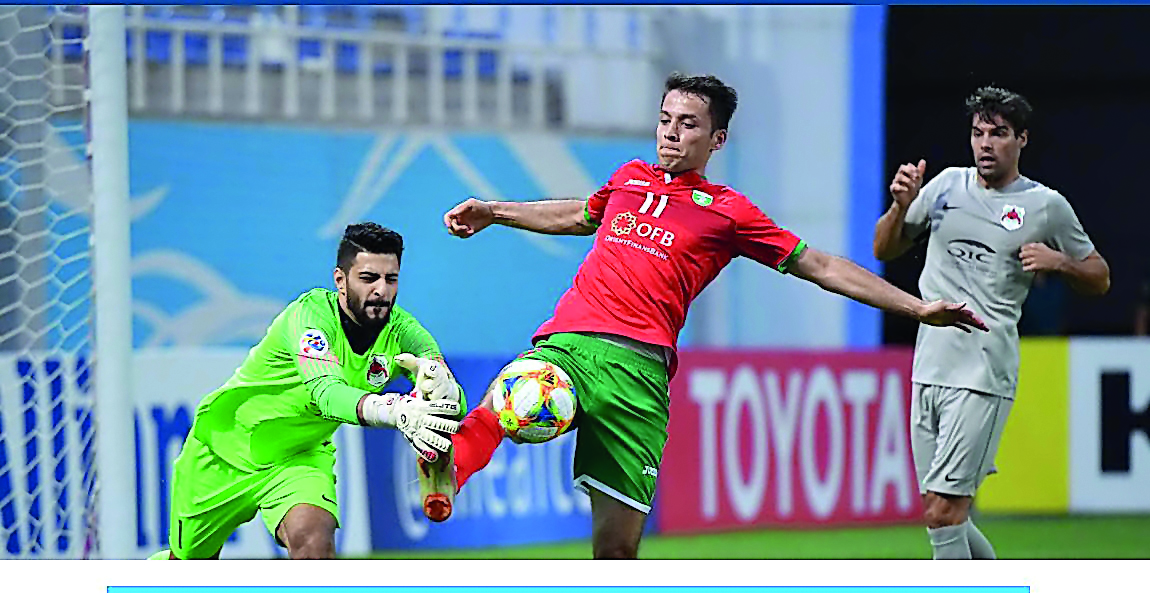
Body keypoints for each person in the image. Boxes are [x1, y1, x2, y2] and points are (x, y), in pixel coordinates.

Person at [426, 72, 987, 559]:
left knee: (616, 551)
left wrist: (917, 307)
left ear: (717, 139)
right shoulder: (628, 177)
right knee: (519, 394)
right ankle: (449, 466)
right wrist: (495, 211)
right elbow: (578, 215)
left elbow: (818, 265)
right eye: (665, 119)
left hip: (640, 378)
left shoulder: (729, 213)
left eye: (688, 123)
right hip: (572, 343)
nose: (671, 132)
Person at [873, 86, 1110, 559]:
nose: (985, 143)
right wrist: (900, 206)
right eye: (978, 133)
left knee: (945, 512)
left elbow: (1100, 276)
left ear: (1022, 139)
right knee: (941, 515)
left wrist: (1060, 262)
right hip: (929, 367)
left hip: (983, 372)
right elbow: (883, 249)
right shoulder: (945, 186)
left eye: (998, 133)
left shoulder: (1045, 205)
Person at [150, 222, 463, 559]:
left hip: (299, 458)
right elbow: (327, 393)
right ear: (340, 280)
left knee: (314, 543)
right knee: (188, 571)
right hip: (223, 451)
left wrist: (446, 391)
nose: (381, 291)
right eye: (369, 278)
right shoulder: (310, 317)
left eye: (391, 279)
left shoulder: (404, 331)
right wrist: (395, 410)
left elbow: (452, 399)